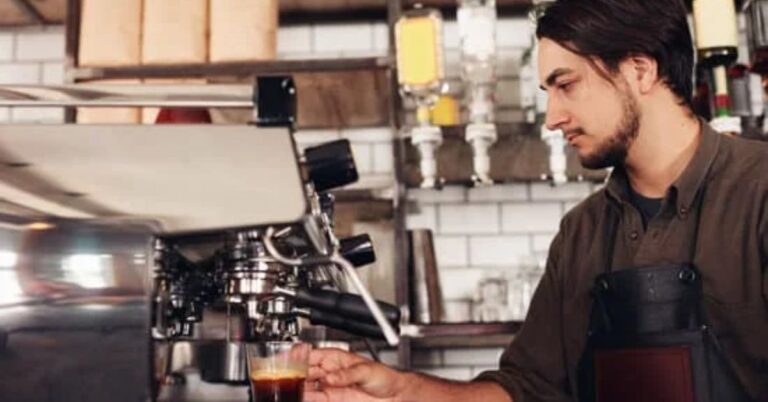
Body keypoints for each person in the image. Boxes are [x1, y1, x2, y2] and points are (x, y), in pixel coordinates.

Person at [305, 0, 768, 401]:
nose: (553, 117)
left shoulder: (758, 191)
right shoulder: (582, 233)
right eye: (547, 93)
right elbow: (526, 390)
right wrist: (399, 391)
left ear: (640, 70)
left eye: (566, 85)